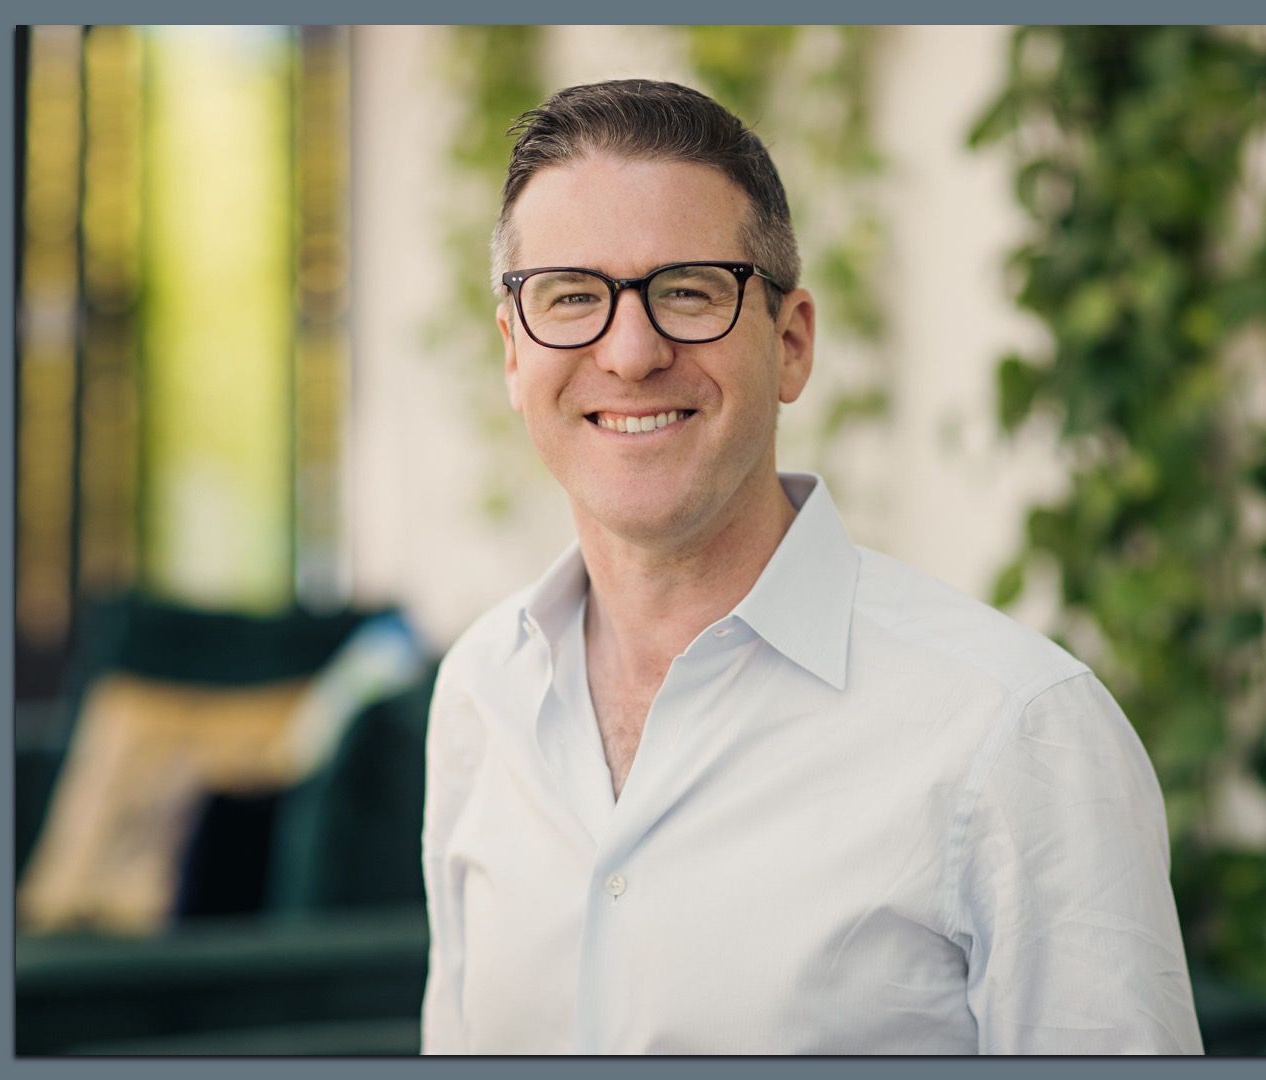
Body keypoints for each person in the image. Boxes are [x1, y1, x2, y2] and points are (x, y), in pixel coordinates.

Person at [419, 78, 1203, 1056]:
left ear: (791, 346)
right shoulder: (480, 694)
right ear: (511, 353)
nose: (629, 351)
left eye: (689, 292)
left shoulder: (1017, 732)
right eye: (571, 297)